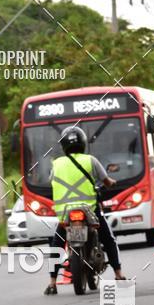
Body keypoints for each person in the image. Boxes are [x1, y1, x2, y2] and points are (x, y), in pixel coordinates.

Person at [44, 125, 126, 295]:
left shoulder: (56, 164)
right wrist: (112, 183)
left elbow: (51, 181)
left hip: (65, 214)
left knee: (57, 245)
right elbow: (106, 181)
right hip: (90, 211)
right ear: (82, 143)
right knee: (108, 239)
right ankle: (118, 274)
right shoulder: (90, 160)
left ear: (63, 145)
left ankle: (52, 283)